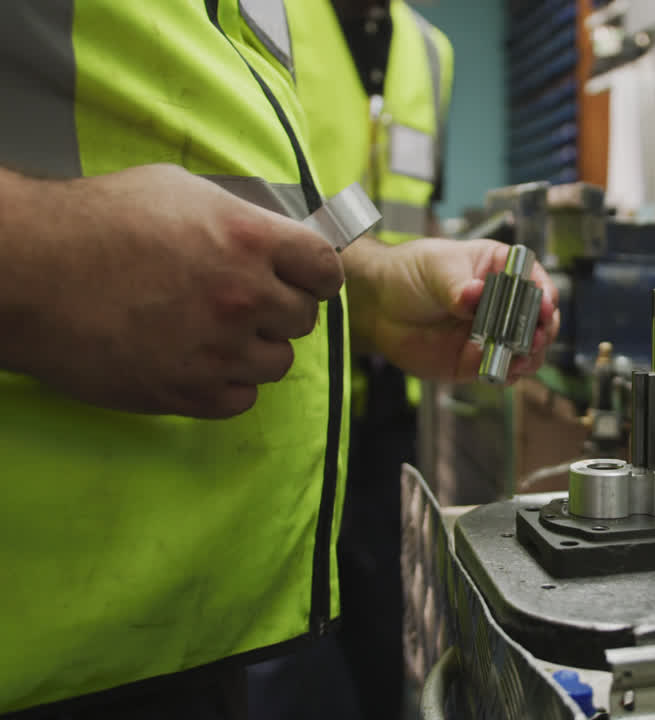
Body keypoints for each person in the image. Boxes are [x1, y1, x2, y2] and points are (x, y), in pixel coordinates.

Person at [0, 2, 558, 718]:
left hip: (218, 594)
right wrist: (45, 260)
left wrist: (371, 292)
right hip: (43, 622)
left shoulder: (418, 51)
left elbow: (265, 213)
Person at [246, 1, 457, 718]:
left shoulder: (432, 52)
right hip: (279, 396)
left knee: (386, 645)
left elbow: (420, 211)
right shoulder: (265, 14)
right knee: (283, 667)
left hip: (391, 407)